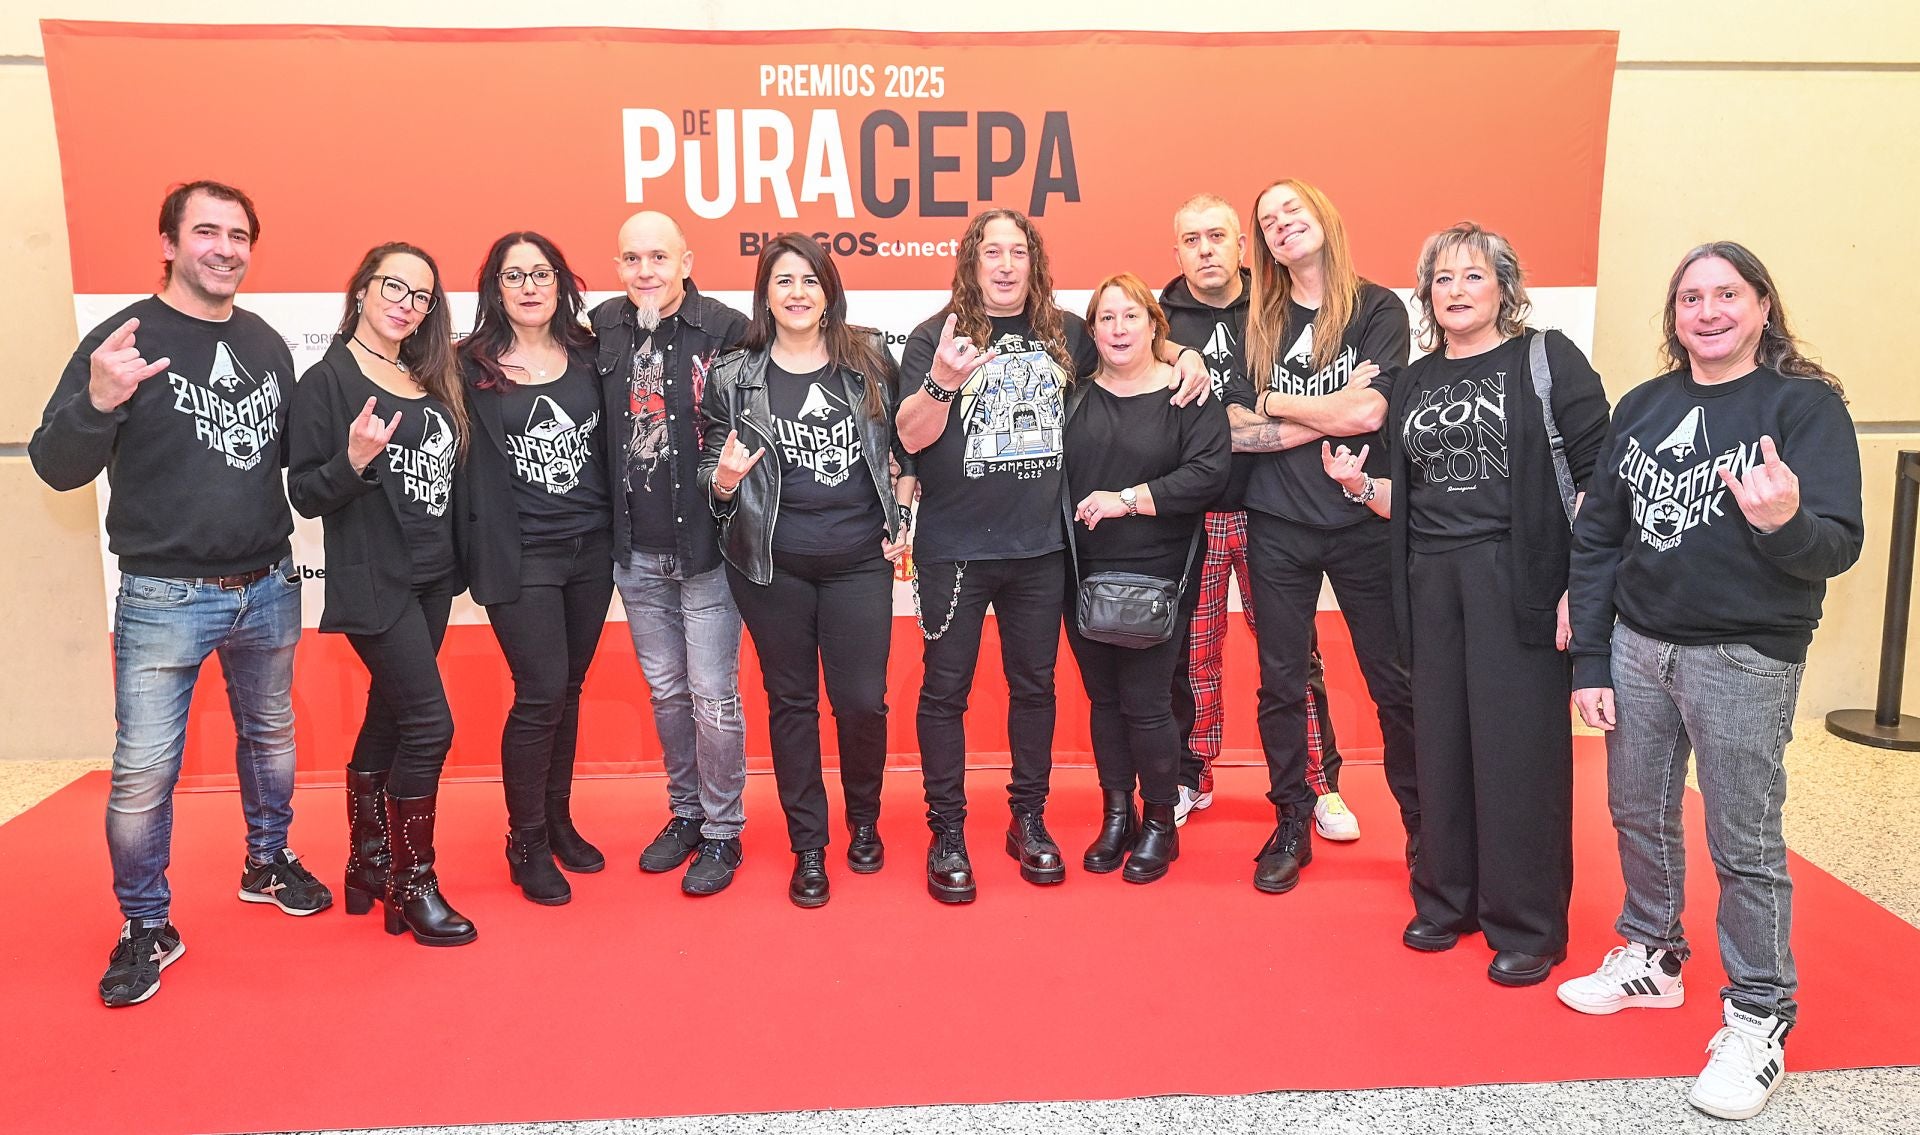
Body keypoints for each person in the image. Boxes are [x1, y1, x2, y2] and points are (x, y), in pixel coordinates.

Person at [1557, 242, 1862, 1121]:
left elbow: (1835, 546)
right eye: (1691, 297)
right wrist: (1591, 657)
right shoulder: (1645, 405)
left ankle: (1761, 1012)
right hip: (1638, 649)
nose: (1708, 310)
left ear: (1763, 304)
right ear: (1674, 315)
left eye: (1727, 293)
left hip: (1744, 655)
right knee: (1636, 811)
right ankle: (1652, 953)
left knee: (1745, 842)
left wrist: (1785, 521)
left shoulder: (1805, 407)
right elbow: (1600, 535)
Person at [31, 179, 330, 1006]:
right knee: (142, 772)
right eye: (206, 231)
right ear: (168, 243)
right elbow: (58, 467)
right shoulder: (120, 340)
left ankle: (266, 863)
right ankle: (145, 923)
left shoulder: (268, 344)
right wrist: (98, 399)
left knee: (270, 738)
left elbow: (292, 467)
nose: (225, 248)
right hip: (165, 596)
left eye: (239, 234)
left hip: (269, 583)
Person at [1322, 222, 1611, 986]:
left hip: (1518, 577)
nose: (1455, 290)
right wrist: (1358, 486)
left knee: (1518, 754)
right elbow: (1409, 500)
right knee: (1441, 745)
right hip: (1429, 582)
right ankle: (1447, 898)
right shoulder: (1414, 381)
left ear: (1505, 289)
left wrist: (1582, 588)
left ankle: (1527, 923)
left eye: (1473, 277)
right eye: (1442, 279)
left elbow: (1598, 483)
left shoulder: (1545, 360)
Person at [895, 208, 1209, 903]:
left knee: (1035, 689)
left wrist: (1187, 354)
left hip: (1042, 549)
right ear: (971, 262)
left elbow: (1139, 358)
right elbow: (911, 437)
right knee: (944, 692)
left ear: (1033, 263)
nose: (1005, 265)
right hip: (954, 552)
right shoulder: (933, 335)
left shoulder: (1067, 333)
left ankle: (1028, 818)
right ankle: (946, 830)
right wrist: (945, 379)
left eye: (1018, 253)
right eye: (991, 252)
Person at [699, 234, 916, 908]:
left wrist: (903, 523)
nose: (796, 292)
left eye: (809, 281)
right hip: (770, 568)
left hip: (858, 561)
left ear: (828, 292)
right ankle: (809, 843)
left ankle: (864, 819)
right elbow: (712, 464)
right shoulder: (736, 374)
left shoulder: (871, 358)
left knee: (860, 702)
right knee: (790, 704)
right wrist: (726, 482)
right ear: (765, 293)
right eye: (782, 280)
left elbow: (906, 456)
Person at [1223, 178, 1420, 894]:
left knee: (1394, 681)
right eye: (1268, 222)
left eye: (1292, 213)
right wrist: (1316, 409)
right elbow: (1236, 431)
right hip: (1278, 522)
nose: (1281, 227)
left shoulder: (1378, 307)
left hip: (1363, 520)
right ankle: (1290, 821)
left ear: (1323, 218)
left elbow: (1370, 413)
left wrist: (1275, 403)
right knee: (1280, 682)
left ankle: (1426, 831)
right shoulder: (1258, 319)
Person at [288, 241, 475, 946]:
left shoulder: (427, 374)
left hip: (432, 580)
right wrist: (353, 461)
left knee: (391, 716)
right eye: (394, 286)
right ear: (362, 288)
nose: (407, 302)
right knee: (431, 725)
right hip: (376, 581)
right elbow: (305, 492)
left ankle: (368, 863)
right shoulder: (327, 380)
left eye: (422, 295)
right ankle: (414, 879)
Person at [1159, 193, 1356, 839]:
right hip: (1194, 514)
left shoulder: (1276, 305)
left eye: (1218, 235)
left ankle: (1319, 783)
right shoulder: (1160, 317)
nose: (1206, 248)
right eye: (1192, 239)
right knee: (1191, 652)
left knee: (1294, 656)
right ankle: (1192, 774)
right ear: (1178, 249)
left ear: (1244, 245)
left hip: (1274, 507)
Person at [593, 212, 753, 895]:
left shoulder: (728, 328)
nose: (646, 270)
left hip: (709, 548)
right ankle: (685, 812)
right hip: (634, 549)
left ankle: (722, 829)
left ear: (687, 260)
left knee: (713, 695)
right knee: (666, 693)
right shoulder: (599, 329)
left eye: (659, 256)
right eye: (632, 258)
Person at [458, 232, 613, 905]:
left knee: (569, 689)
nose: (528, 285)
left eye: (541, 273)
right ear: (495, 287)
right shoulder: (467, 366)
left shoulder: (589, 352)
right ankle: (523, 841)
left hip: (591, 548)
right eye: (513, 274)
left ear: (560, 282)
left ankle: (556, 821)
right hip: (519, 556)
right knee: (541, 691)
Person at [1065, 273, 1229, 883]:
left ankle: (1160, 819)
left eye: (1131, 316)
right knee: (1103, 700)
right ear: (1092, 332)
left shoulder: (1187, 396)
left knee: (1147, 702)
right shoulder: (1073, 397)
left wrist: (1128, 499)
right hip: (1081, 575)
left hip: (1160, 571)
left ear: (1156, 326)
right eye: (1106, 319)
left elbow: (1209, 475)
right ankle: (1117, 814)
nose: (1118, 329)